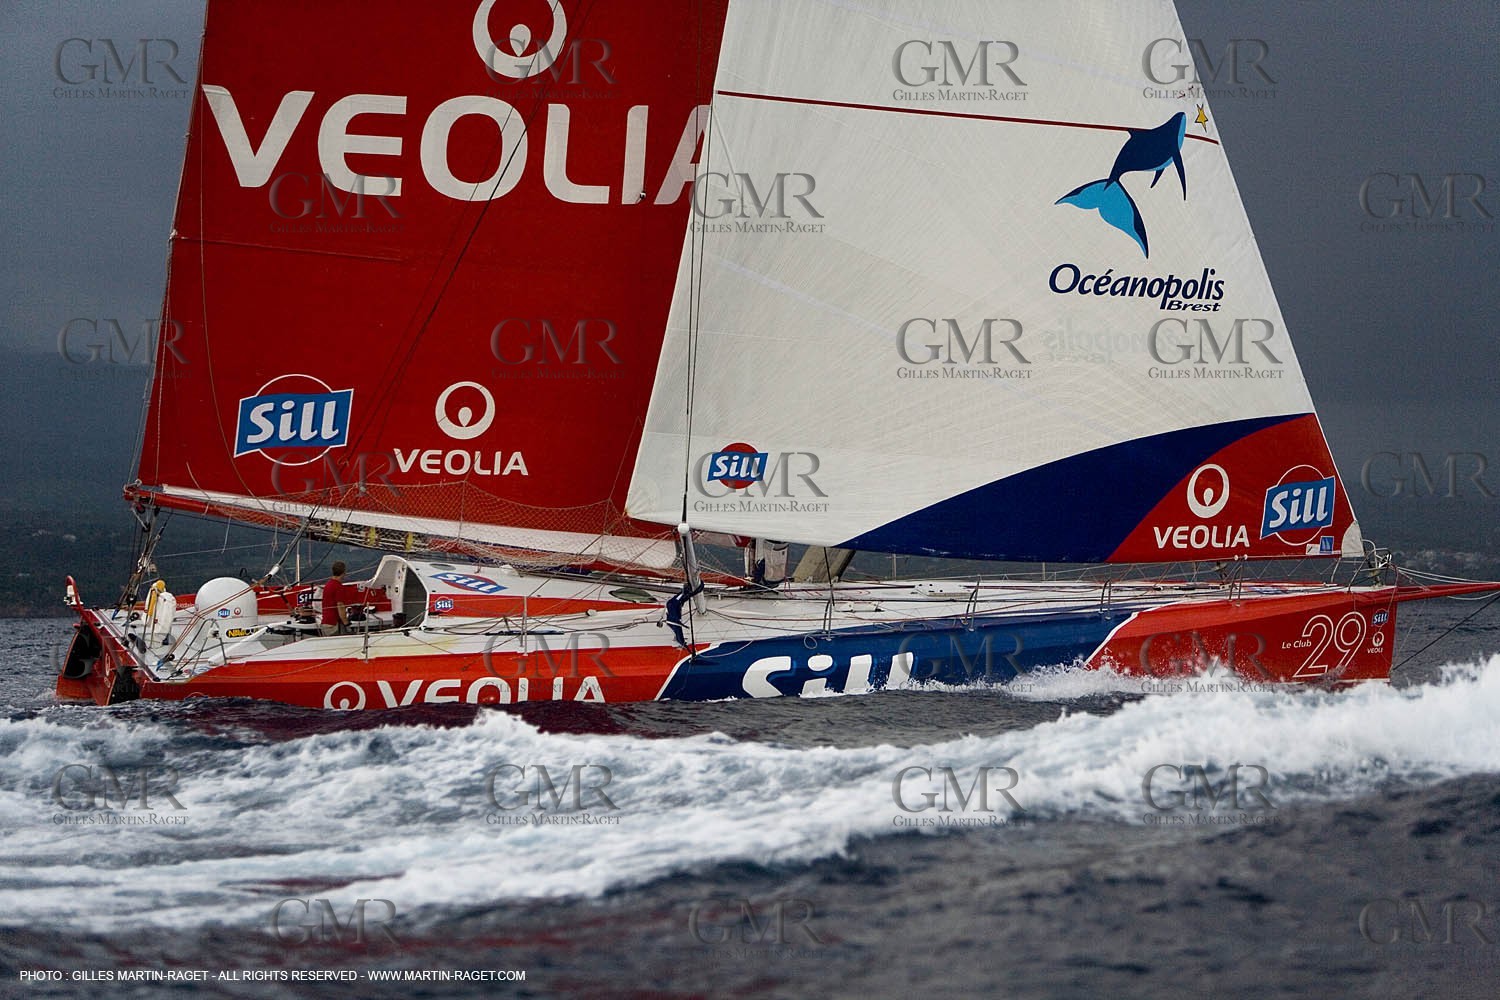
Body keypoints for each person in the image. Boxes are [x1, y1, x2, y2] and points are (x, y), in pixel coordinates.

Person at [321, 561, 356, 635]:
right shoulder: (338, 587)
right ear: (343, 572)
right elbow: (340, 606)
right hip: (333, 624)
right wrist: (346, 623)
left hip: (326, 621)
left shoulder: (328, 585)